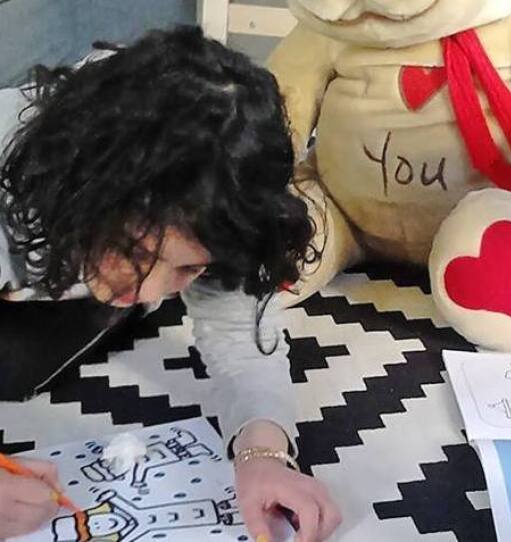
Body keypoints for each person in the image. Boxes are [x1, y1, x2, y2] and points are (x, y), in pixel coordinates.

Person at [0, 26, 339, 542]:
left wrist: (262, 453)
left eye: (187, 268)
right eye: (134, 251)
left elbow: (243, 343)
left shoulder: (218, 202)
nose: (154, 292)